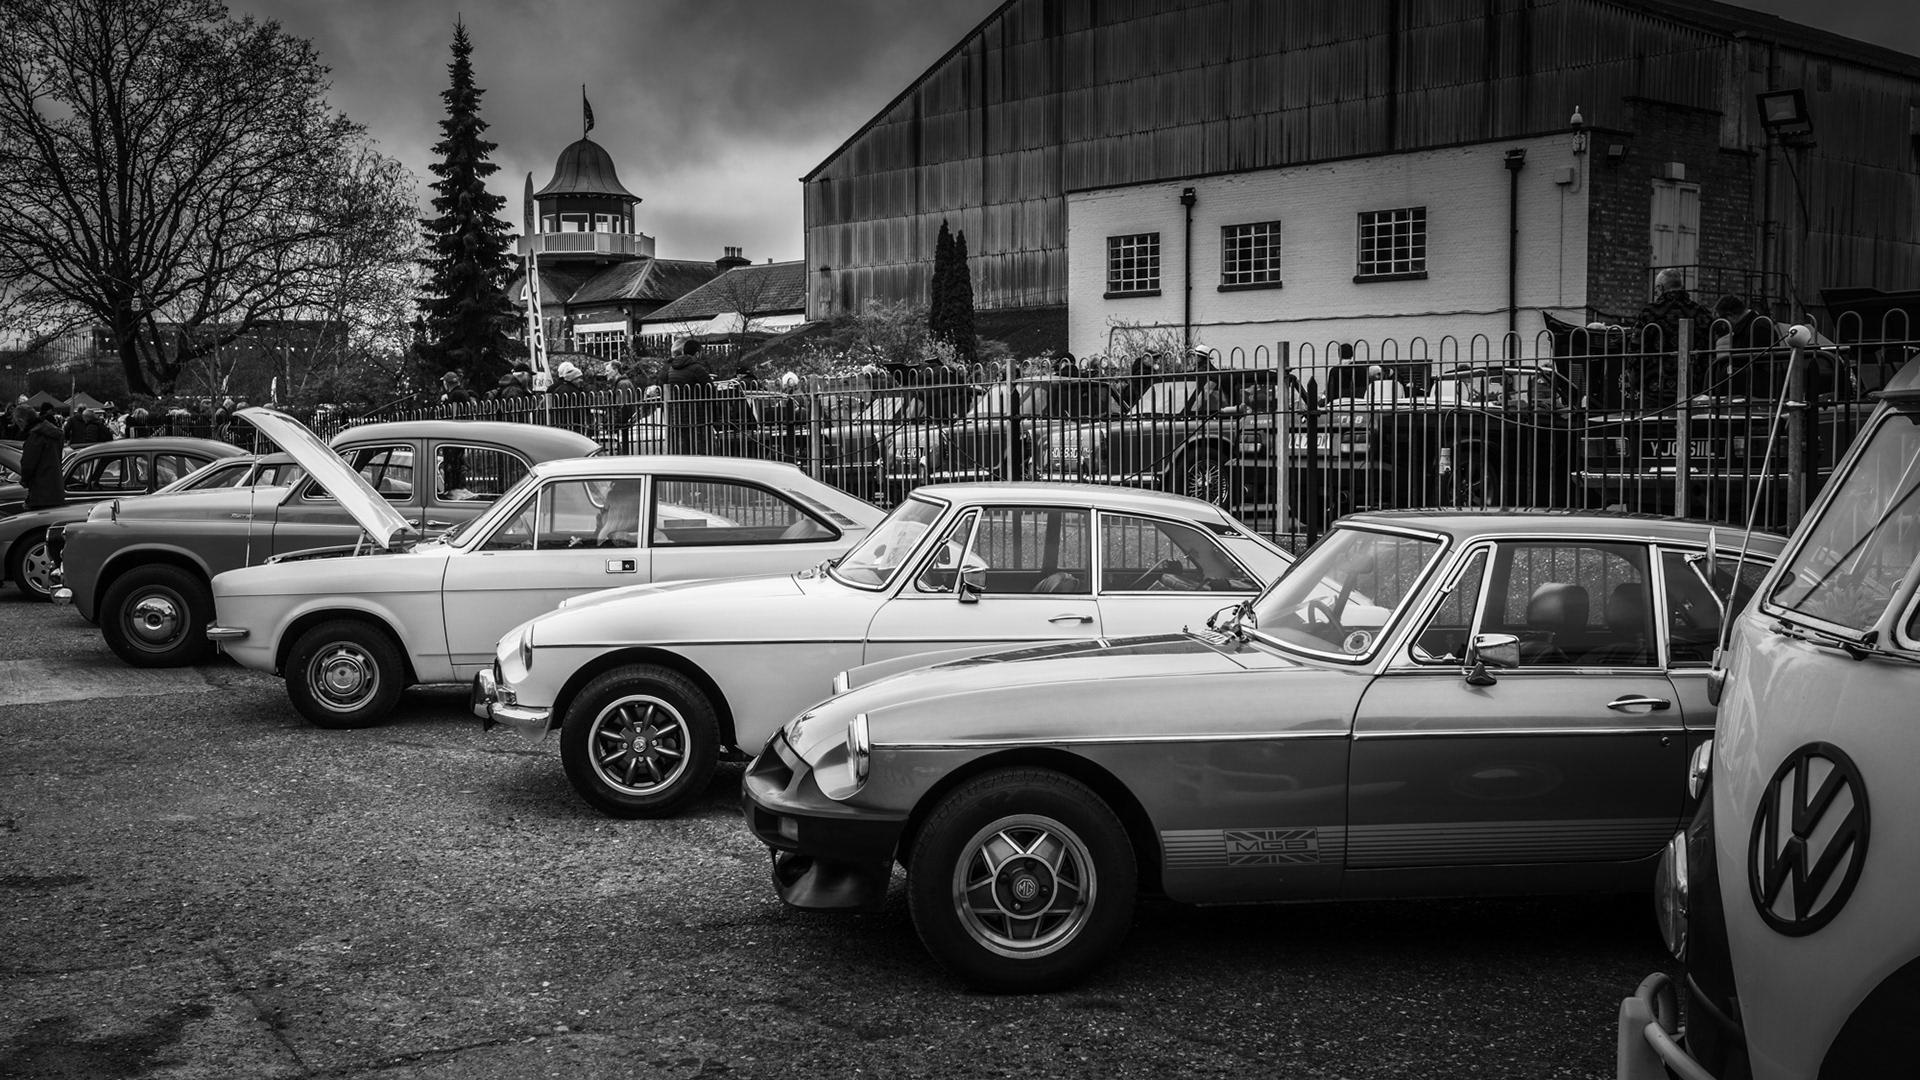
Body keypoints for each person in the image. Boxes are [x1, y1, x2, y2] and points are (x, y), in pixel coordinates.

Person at [664, 340, 713, 455]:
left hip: (677, 418)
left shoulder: (672, 369)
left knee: (683, 453)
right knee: (703, 453)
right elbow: (710, 390)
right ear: (697, 354)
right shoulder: (697, 369)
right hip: (696, 418)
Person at [14, 403, 65, 510]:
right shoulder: (54, 434)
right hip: (56, 489)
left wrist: (24, 481)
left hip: (40, 492)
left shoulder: (35, 436)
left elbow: (28, 464)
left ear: (22, 421)